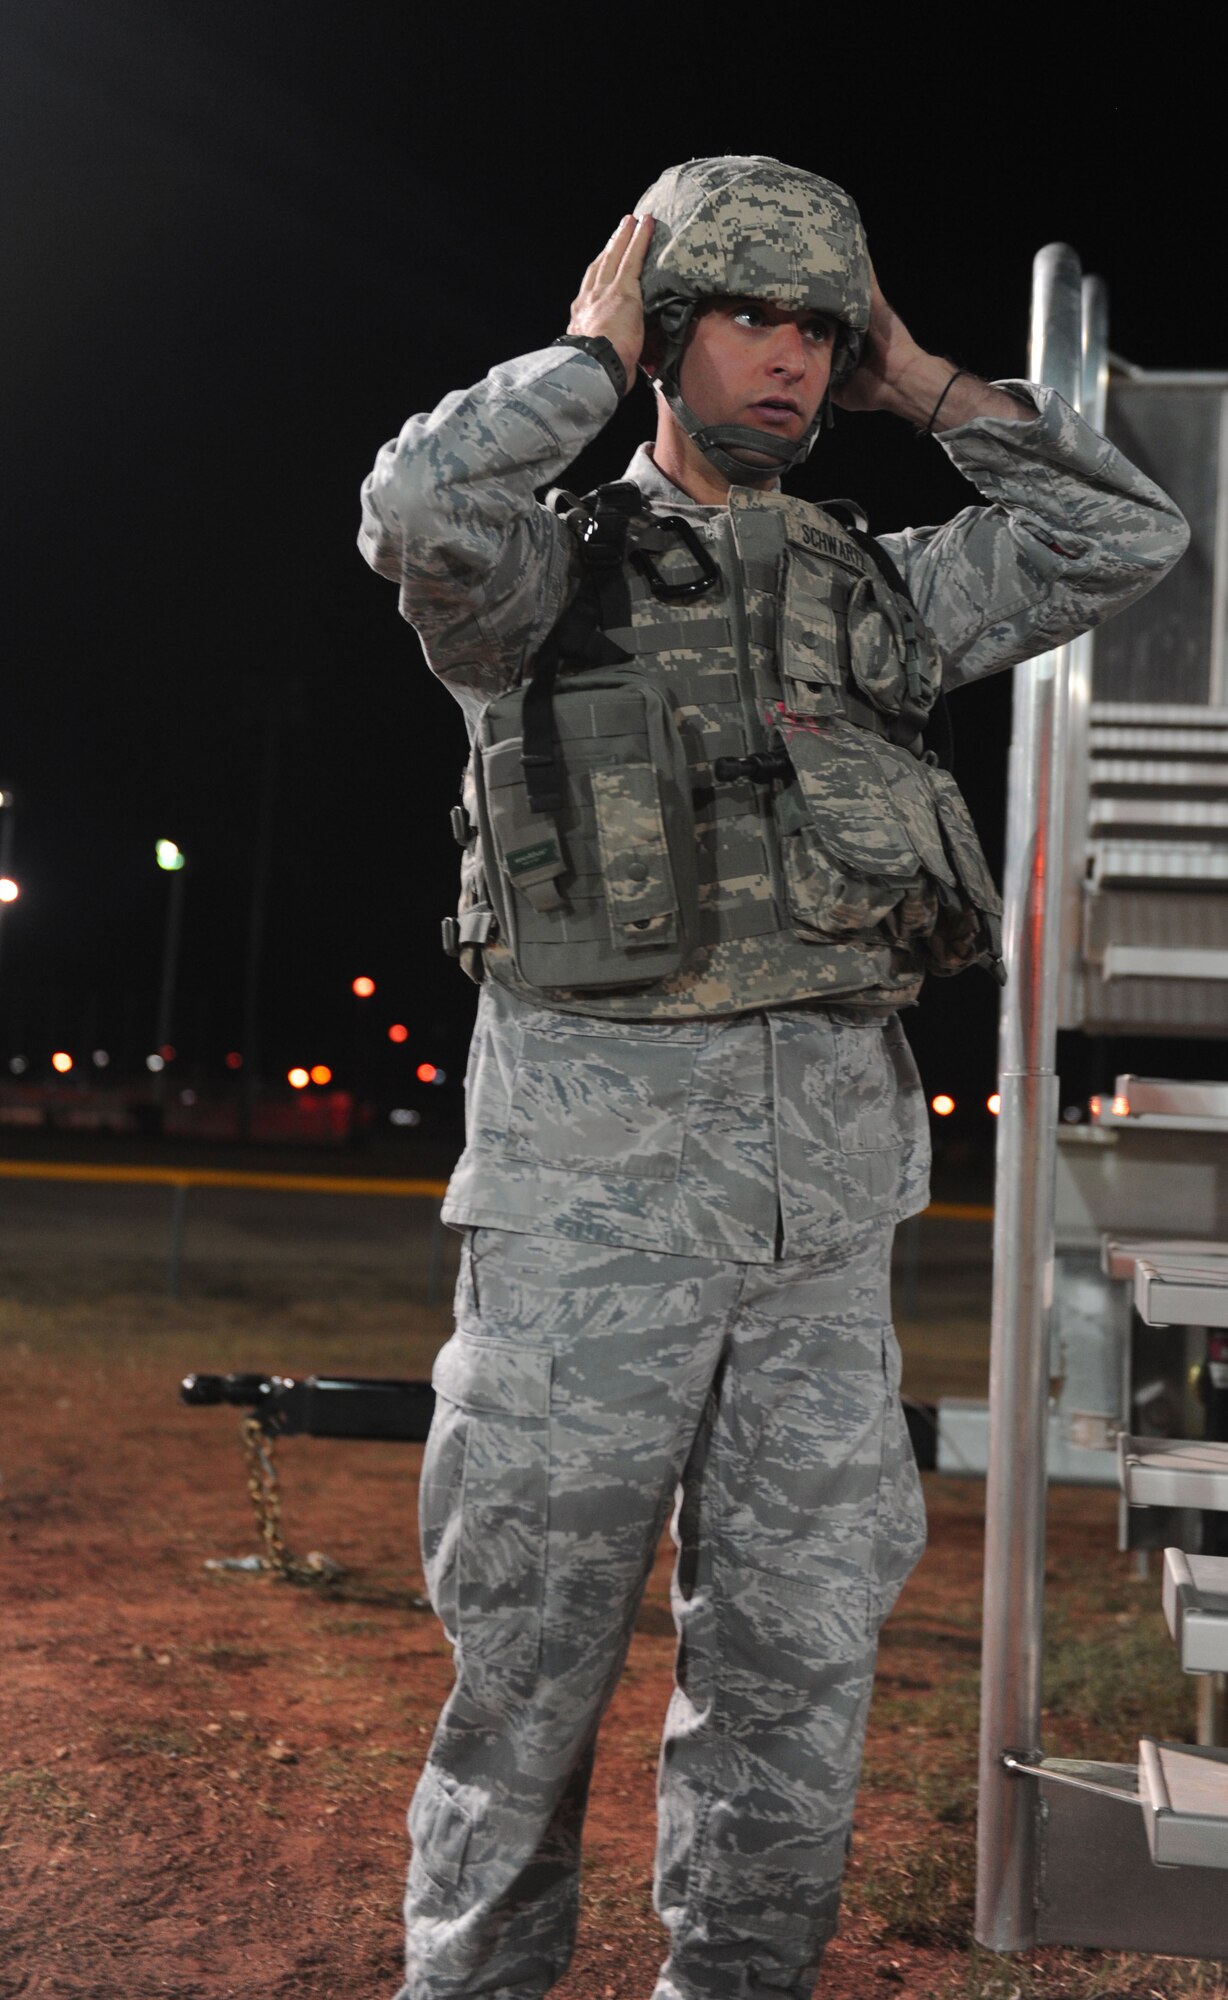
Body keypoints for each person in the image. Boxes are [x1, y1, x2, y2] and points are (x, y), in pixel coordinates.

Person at [359, 157, 1187, 2000]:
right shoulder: (535, 580)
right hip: (588, 1231)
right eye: (752, 316)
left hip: (818, 1239)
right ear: (666, 333)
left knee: (798, 1679)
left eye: (821, 329)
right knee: (530, 1677)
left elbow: (1127, 539)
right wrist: (582, 361)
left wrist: (928, 379)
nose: (795, 361)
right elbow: (418, 501)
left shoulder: (873, 597)